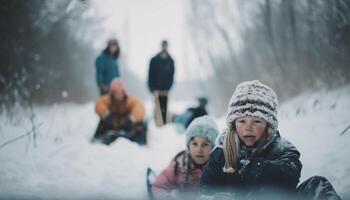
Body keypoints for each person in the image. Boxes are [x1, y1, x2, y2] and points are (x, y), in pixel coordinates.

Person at [200, 80, 341, 200]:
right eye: (242, 121)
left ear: (269, 125)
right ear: (233, 125)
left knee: (317, 185)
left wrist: (260, 169)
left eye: (256, 121)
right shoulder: (221, 151)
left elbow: (290, 178)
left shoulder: (283, 149)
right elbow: (205, 190)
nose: (248, 128)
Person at [151, 116, 219, 199]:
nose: (199, 150)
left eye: (205, 144)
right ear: (188, 146)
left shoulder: (219, 168)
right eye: (194, 144)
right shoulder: (179, 165)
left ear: (213, 148)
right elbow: (159, 187)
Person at [92, 78, 147, 145]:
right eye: (115, 92)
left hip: (128, 126)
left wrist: (131, 119)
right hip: (111, 125)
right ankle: (100, 138)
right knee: (102, 121)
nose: (118, 94)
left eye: (120, 92)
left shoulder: (129, 100)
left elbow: (140, 107)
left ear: (123, 92)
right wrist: (106, 115)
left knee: (141, 124)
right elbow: (99, 104)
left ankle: (138, 141)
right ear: (112, 92)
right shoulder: (108, 100)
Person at [148, 40, 175, 126]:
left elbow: (172, 76)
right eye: (163, 46)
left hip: (165, 90)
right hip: (156, 89)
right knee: (157, 109)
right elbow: (150, 75)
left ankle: (164, 125)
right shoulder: (154, 60)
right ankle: (157, 125)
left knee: (164, 109)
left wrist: (169, 88)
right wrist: (152, 89)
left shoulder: (171, 61)